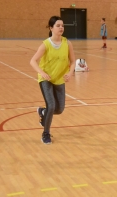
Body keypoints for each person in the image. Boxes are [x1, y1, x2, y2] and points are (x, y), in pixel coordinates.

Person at [30, 16, 75, 144]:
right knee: (51, 105)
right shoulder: (46, 44)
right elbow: (32, 61)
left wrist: (70, 73)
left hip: (59, 79)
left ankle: (42, 111)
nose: (61, 27)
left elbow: (72, 61)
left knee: (59, 109)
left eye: (62, 25)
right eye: (58, 25)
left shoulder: (67, 43)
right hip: (46, 79)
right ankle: (46, 133)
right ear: (51, 28)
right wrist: (42, 73)